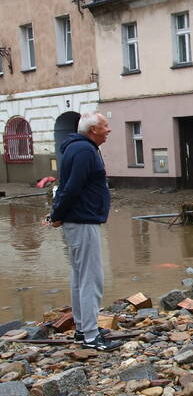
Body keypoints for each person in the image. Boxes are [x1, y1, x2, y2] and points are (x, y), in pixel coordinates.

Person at [49, 112, 122, 351]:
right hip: (82, 221)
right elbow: (71, 188)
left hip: (79, 220)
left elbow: (66, 185)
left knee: (80, 277)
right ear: (93, 130)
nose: (108, 130)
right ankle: (91, 336)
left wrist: (58, 214)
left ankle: (83, 329)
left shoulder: (79, 148)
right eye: (105, 126)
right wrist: (57, 214)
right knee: (91, 278)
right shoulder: (84, 151)